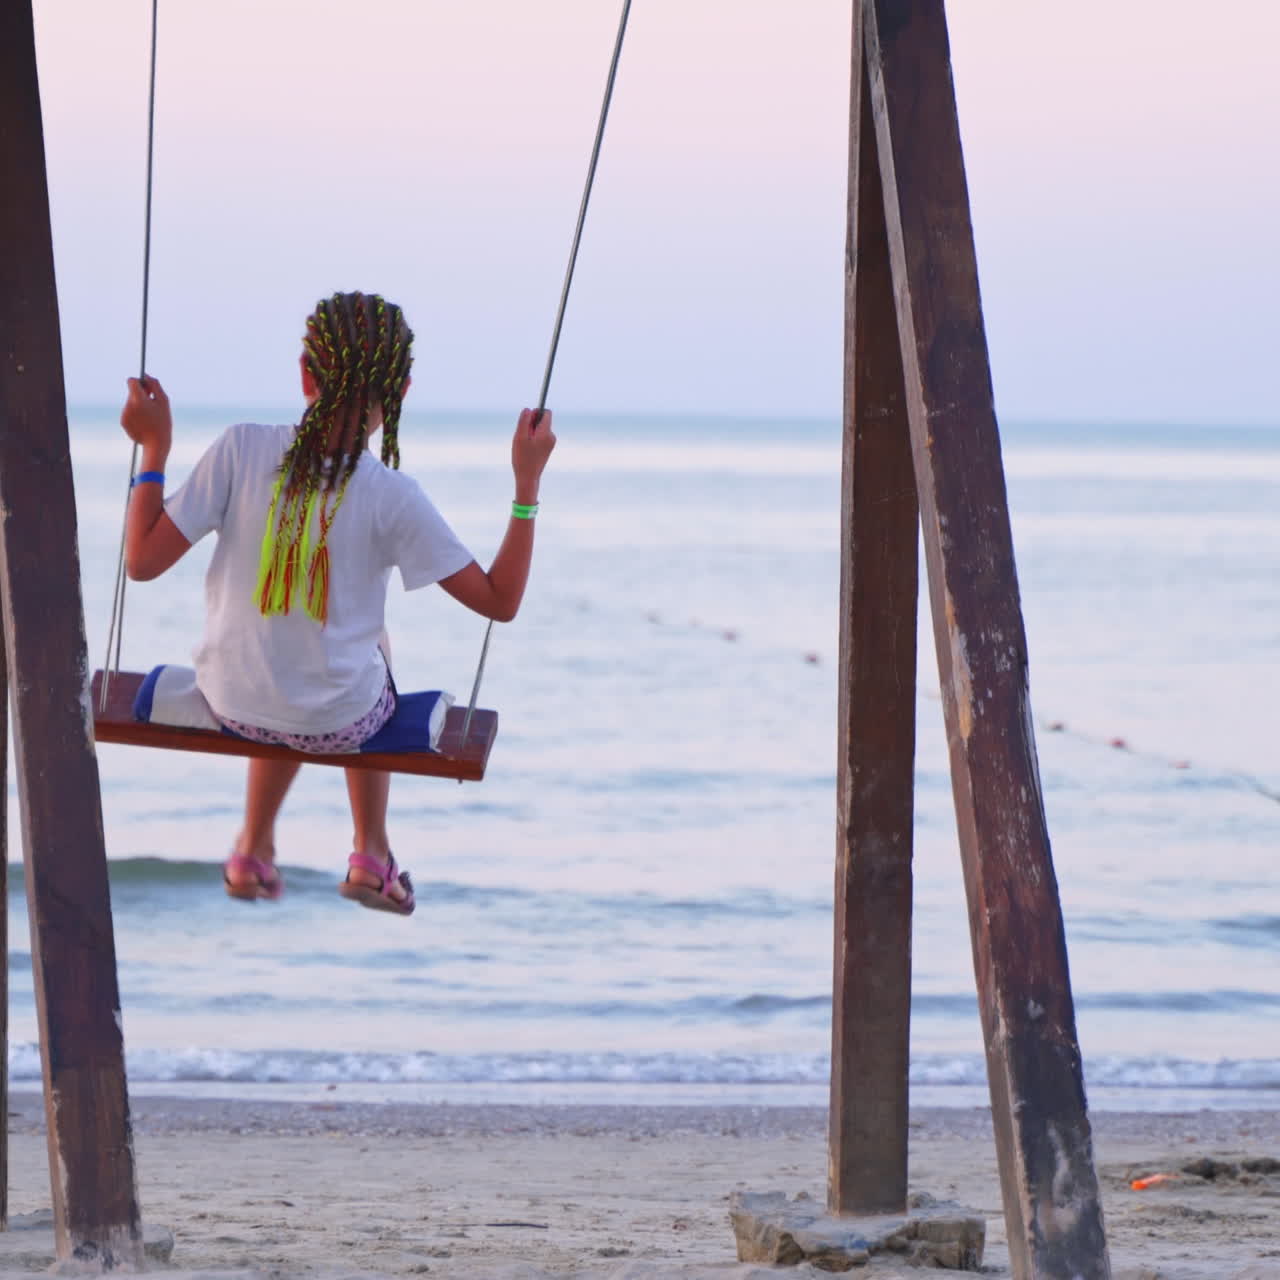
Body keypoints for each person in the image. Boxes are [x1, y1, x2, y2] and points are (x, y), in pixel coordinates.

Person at [119, 290, 556, 915]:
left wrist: (154, 448)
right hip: (340, 725)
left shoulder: (239, 449)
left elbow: (141, 561)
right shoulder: (393, 495)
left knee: (289, 659)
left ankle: (251, 847)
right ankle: (371, 853)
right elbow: (500, 600)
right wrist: (526, 485)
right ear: (400, 390)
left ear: (306, 373)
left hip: (230, 705)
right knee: (369, 655)